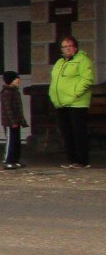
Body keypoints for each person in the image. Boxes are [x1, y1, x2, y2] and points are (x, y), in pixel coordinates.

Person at [50, 35, 94, 167]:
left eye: (70, 46)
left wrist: (75, 93)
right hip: (61, 103)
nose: (67, 48)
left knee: (78, 132)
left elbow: (87, 79)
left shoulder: (82, 60)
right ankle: (72, 160)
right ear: (61, 49)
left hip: (77, 103)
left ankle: (81, 161)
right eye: (65, 46)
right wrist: (53, 96)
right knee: (66, 132)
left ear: (75, 48)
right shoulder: (60, 62)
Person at [1, 70, 27, 170]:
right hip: (10, 122)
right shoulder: (6, 92)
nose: (18, 80)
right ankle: (8, 160)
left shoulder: (14, 91)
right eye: (16, 78)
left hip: (16, 121)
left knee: (16, 141)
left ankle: (15, 160)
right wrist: (12, 122)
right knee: (10, 141)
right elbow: (8, 109)